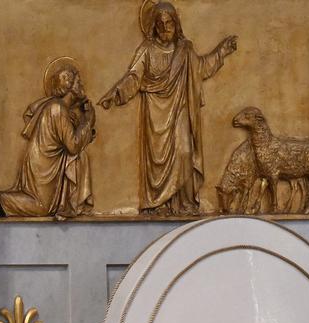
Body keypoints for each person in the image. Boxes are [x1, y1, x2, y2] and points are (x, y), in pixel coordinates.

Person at [99, 1, 237, 215]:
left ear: (176, 24)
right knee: (157, 164)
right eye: (160, 24)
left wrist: (222, 52)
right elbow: (134, 77)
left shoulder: (185, 49)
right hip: (155, 116)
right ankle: (157, 204)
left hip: (180, 111)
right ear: (154, 26)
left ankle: (184, 203)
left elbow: (201, 69)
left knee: (184, 151)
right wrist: (116, 94)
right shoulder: (146, 50)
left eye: (169, 23)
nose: (165, 28)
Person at [0, 58, 95, 219]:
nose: (82, 86)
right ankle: (2, 199)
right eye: (78, 82)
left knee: (82, 157)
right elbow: (73, 145)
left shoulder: (61, 109)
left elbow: (73, 145)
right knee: (42, 208)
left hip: (46, 163)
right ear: (68, 86)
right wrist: (88, 120)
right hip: (43, 166)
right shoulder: (57, 109)